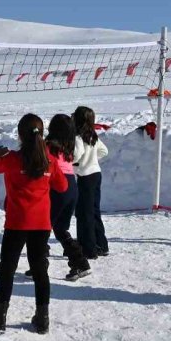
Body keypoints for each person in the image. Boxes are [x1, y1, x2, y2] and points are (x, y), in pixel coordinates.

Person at [0, 114, 68, 336]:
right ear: (42, 134)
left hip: (17, 223)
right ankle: (42, 318)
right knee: (40, 270)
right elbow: (63, 187)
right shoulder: (50, 160)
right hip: (41, 223)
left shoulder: (12, 159)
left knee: (7, 269)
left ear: (19, 135)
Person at [45, 113, 90, 281]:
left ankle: (38, 266)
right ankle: (81, 263)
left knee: (43, 227)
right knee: (60, 228)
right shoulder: (68, 147)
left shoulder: (49, 146)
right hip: (72, 185)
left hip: (58, 184)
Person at [73, 106, 110, 259]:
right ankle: (101, 244)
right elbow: (104, 151)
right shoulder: (93, 135)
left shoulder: (77, 136)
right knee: (94, 210)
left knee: (83, 213)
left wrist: (73, 162)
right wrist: (92, 160)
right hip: (96, 174)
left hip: (85, 176)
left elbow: (77, 154)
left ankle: (88, 248)